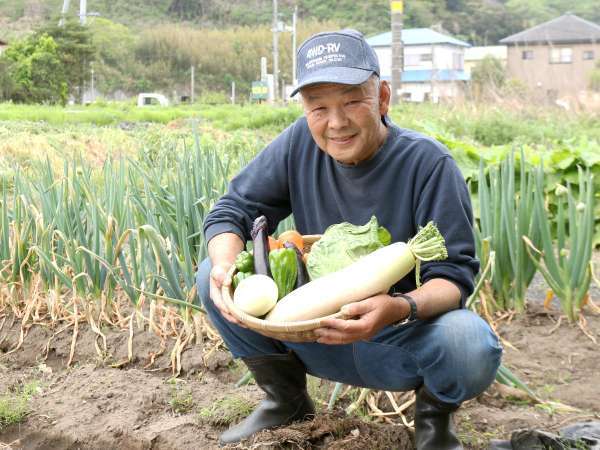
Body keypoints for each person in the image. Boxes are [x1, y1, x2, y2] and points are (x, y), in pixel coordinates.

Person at [196, 29, 502, 449]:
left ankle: (433, 428)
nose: (336, 122)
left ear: (383, 98)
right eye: (318, 106)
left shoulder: (427, 163)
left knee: (469, 341)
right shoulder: (298, 144)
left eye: (352, 101)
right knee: (211, 275)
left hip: (395, 341)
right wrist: (225, 264)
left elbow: (453, 278)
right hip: (308, 330)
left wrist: (398, 307)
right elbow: (232, 210)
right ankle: (285, 400)